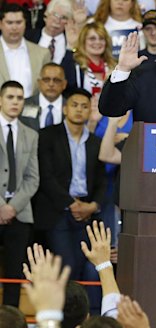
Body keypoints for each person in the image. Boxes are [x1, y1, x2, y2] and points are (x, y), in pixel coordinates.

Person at [34, 88, 107, 311]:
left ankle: (93, 317)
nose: (79, 109)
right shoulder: (47, 135)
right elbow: (45, 176)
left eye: (84, 106)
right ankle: (66, 316)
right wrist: (71, 203)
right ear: (65, 108)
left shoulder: (96, 142)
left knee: (92, 269)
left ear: (89, 111)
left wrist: (93, 205)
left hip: (88, 214)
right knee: (68, 266)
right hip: (58, 211)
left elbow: (102, 182)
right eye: (74, 105)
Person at [0, 81, 39, 307]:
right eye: (11, 97)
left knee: (15, 273)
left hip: (20, 213)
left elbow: (33, 178)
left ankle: (12, 319)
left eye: (20, 98)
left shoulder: (31, 135)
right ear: (1, 100)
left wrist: (12, 207)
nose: (16, 102)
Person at [0, 4, 51, 98]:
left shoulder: (42, 54)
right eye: (10, 23)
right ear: (1, 24)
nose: (14, 28)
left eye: (18, 22)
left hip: (32, 109)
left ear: (25, 24)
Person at [61, 22, 117, 95]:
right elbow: (65, 84)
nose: (97, 42)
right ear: (83, 41)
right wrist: (70, 47)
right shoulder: (74, 64)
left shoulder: (114, 66)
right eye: (92, 39)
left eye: (101, 38)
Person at [20, 63, 67, 131]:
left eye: (56, 80)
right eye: (46, 80)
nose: (51, 84)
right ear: (39, 83)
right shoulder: (23, 105)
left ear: (64, 84)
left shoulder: (71, 107)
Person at [25, 0, 71, 64]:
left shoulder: (70, 42)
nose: (57, 21)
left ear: (68, 22)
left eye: (63, 17)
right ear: (46, 16)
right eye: (55, 15)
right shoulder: (28, 37)